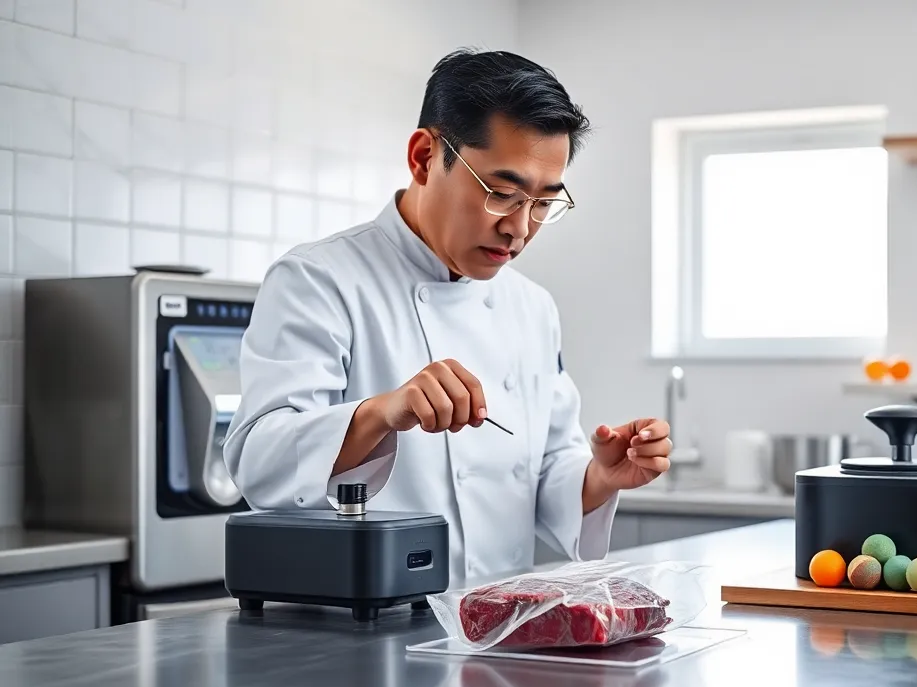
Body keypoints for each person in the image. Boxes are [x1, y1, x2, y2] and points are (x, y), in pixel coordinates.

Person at [222, 48, 672, 583]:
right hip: (365, 632)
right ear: (423, 157)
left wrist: (601, 475)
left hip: (498, 628)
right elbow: (259, 461)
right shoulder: (318, 280)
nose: (521, 229)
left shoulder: (531, 306)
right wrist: (384, 412)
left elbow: (547, 470)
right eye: (503, 194)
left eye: (543, 204)